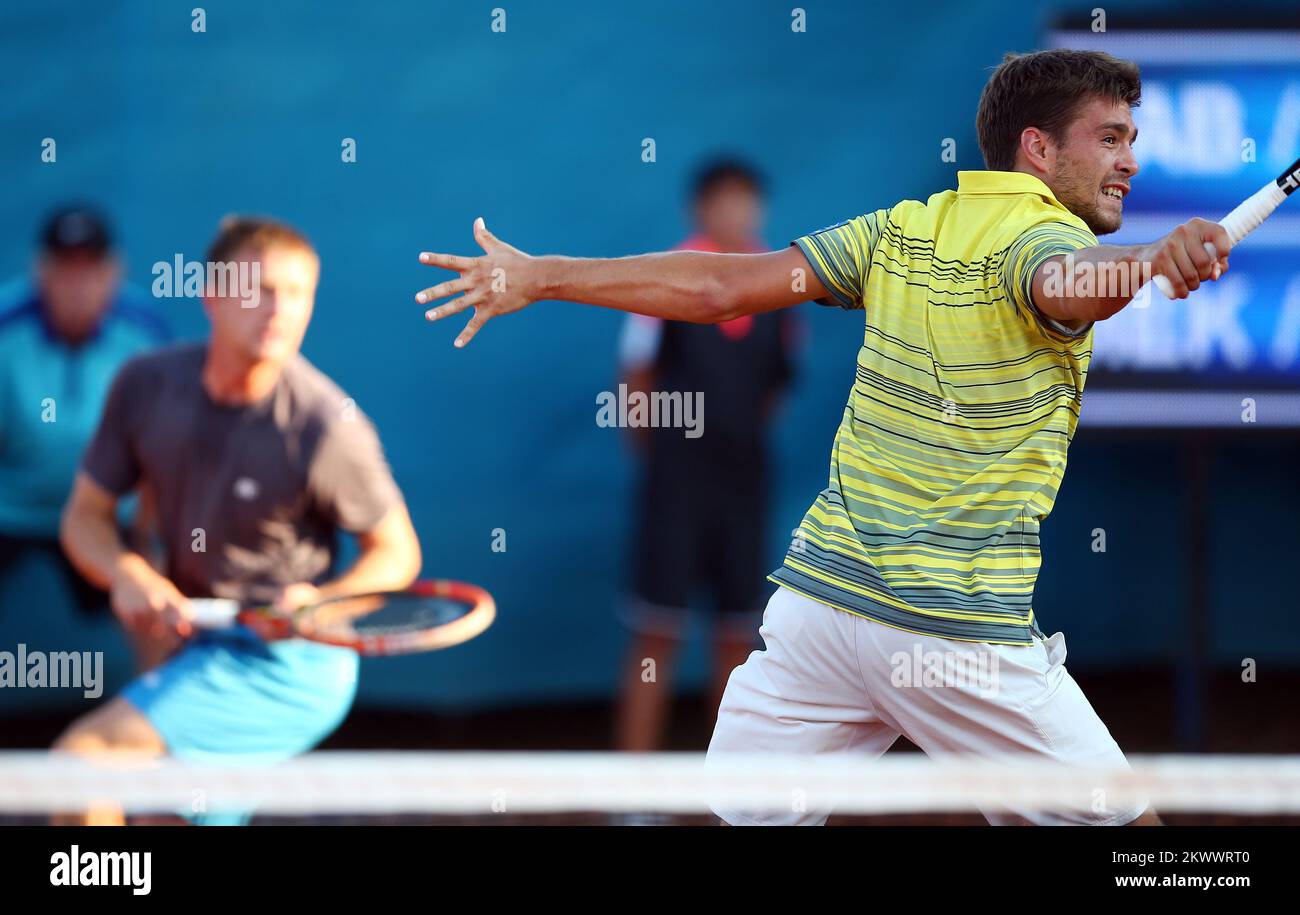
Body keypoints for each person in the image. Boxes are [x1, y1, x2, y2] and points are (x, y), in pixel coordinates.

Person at [418, 48, 1236, 825]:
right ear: (1038, 149)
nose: (1129, 160)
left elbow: (715, 285)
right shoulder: (1045, 242)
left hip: (823, 617)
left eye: (1131, 140)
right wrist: (1148, 263)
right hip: (953, 630)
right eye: (1110, 138)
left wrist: (541, 275)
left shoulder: (898, 230)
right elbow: (1066, 281)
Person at [54, 216, 422, 825]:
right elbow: (84, 518)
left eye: (298, 294)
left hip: (292, 665)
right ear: (210, 294)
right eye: (260, 289)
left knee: (78, 772)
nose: (279, 309)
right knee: (158, 820)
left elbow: (397, 553)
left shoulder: (328, 425)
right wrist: (124, 572)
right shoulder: (145, 386)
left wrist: (320, 604)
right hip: (197, 644)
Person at [615, 160, 795, 751]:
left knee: (735, 639)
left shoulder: (782, 286)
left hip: (744, 486)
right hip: (675, 488)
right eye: (724, 203)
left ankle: (726, 798)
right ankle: (633, 800)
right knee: (657, 633)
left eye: (747, 203)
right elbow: (635, 382)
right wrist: (669, 460)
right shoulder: (661, 280)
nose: (736, 215)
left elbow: (773, 389)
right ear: (700, 211)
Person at [0, 207, 169, 663]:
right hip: (10, 509)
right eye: (64, 269)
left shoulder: (143, 333)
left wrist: (143, 536)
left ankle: (162, 719)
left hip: (105, 510)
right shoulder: (5, 327)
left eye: (90, 269)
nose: (78, 285)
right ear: (41, 271)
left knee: (155, 593)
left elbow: (159, 447)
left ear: (114, 273)